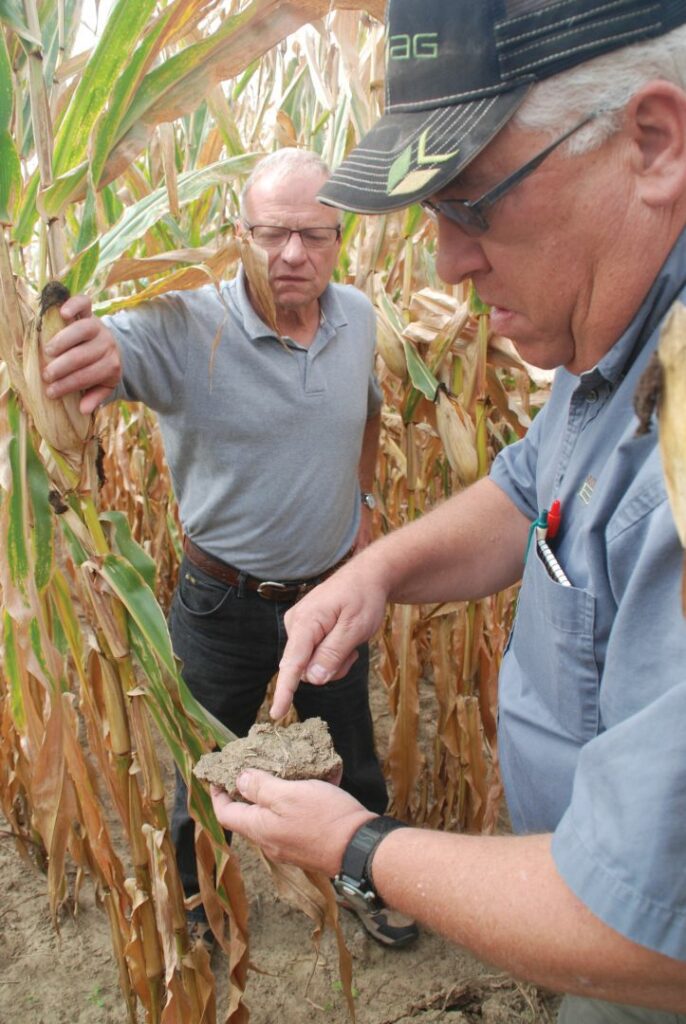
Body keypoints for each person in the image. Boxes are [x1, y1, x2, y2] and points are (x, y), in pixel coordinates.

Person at [209, 1, 686, 1020]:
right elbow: (532, 489)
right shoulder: (619, 328)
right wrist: (374, 572)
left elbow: (647, 925)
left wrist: (355, 846)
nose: (445, 264)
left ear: (651, 144)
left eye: (471, 203)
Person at [42, 148, 418, 949]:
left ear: (340, 238)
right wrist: (89, 349)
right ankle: (196, 900)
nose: (292, 254)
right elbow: (118, 345)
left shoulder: (355, 318)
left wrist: (365, 507)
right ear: (237, 234)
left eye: (314, 235)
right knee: (201, 769)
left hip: (330, 598)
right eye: (272, 233)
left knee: (352, 755)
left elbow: (369, 415)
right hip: (221, 604)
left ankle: (362, 878)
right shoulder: (188, 325)